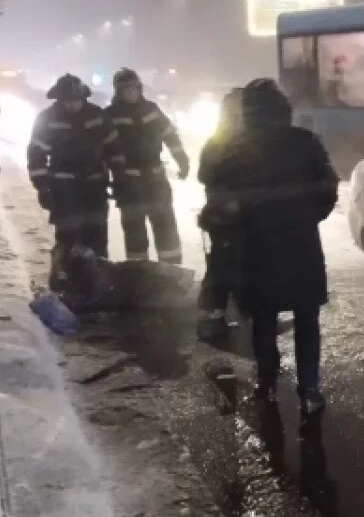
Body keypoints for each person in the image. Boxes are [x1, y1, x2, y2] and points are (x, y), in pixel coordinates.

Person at [209, 79, 338, 414]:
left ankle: (266, 382)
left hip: (256, 246)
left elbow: (218, 195)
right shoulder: (305, 142)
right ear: (283, 109)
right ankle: (309, 388)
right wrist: (307, 217)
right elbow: (328, 188)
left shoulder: (235, 148)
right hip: (301, 244)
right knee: (306, 318)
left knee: (263, 318)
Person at [28, 74, 126, 273]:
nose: (73, 105)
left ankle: (97, 276)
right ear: (59, 99)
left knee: (97, 234)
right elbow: (36, 155)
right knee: (67, 236)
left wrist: (121, 178)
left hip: (95, 185)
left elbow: (114, 148)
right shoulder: (47, 118)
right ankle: (64, 279)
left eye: (76, 100)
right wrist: (43, 188)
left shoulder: (97, 116)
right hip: (63, 188)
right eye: (68, 101)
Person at [105, 69, 190, 264]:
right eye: (126, 90)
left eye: (134, 88)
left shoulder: (151, 109)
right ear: (118, 92)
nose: (131, 93)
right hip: (128, 183)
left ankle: (172, 272)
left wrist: (182, 160)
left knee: (166, 226)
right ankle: (139, 273)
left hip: (156, 179)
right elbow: (103, 149)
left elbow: (170, 136)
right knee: (135, 231)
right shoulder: (110, 115)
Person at [196, 87, 244, 341]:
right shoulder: (218, 140)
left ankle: (246, 310)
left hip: (244, 213)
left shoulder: (255, 137)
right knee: (220, 263)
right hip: (224, 215)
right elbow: (204, 174)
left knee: (246, 262)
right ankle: (215, 312)